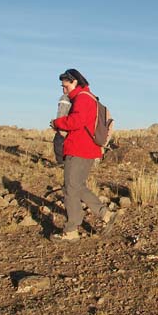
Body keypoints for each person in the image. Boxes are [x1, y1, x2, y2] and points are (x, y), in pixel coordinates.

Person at [50, 69, 116, 241]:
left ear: (75, 82)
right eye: (62, 87)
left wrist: (57, 122)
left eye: (66, 86)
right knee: (77, 186)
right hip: (87, 149)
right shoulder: (89, 98)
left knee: (70, 188)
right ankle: (105, 214)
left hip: (79, 149)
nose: (64, 90)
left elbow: (76, 121)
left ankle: (71, 230)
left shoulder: (83, 98)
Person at [52, 93, 72, 165]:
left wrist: (58, 125)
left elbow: (61, 112)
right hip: (70, 126)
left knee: (58, 142)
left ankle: (61, 163)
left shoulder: (65, 98)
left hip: (64, 126)